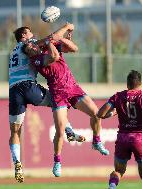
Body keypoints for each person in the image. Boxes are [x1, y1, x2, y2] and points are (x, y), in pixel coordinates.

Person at [22, 26, 109, 177]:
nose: (32, 48)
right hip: (58, 94)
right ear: (29, 53)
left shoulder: (50, 44)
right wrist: (50, 41)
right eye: (29, 48)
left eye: (32, 45)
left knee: (97, 114)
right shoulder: (35, 60)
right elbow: (54, 56)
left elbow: (74, 48)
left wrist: (62, 38)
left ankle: (96, 141)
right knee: (60, 131)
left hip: (73, 88)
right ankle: (57, 161)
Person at [9, 23, 85, 183]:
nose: (32, 35)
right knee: (58, 102)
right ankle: (69, 131)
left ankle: (17, 162)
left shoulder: (13, 52)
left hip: (13, 91)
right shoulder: (26, 45)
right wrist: (65, 28)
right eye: (29, 33)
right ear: (23, 36)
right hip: (28, 86)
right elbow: (49, 39)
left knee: (15, 132)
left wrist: (62, 39)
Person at [96, 70, 142, 189]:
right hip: (140, 138)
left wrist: (111, 113)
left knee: (118, 171)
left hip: (123, 138)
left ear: (127, 83)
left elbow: (100, 113)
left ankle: (112, 186)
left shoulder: (118, 96)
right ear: (140, 83)